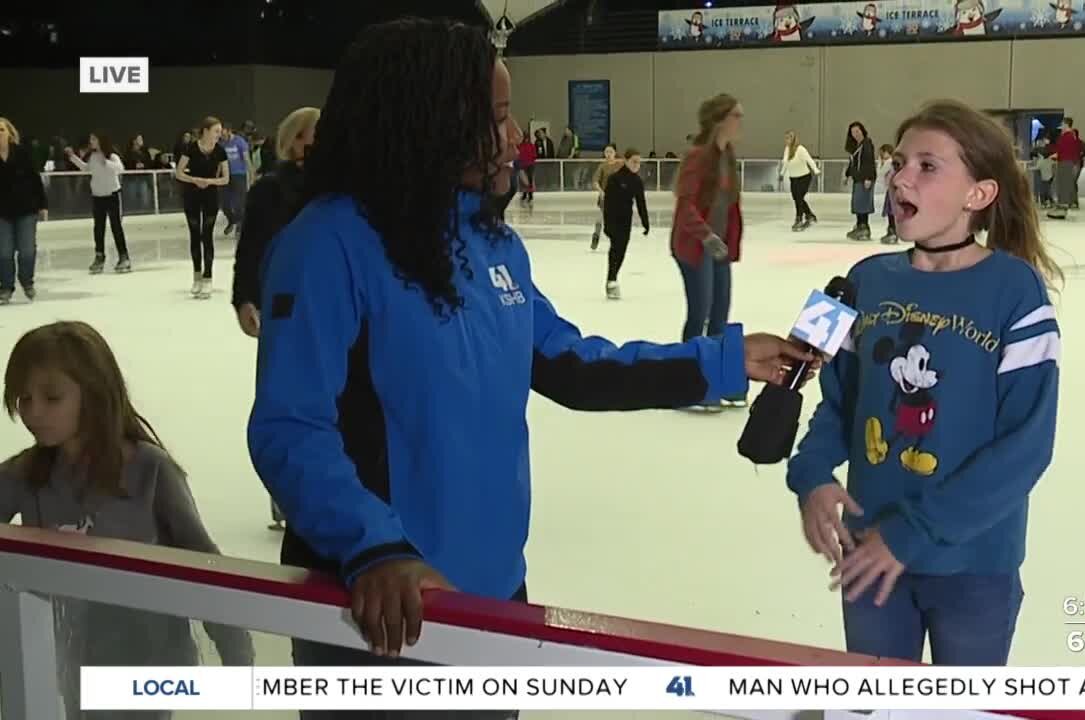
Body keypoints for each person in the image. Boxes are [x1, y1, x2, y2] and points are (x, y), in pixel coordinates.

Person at [247, 22, 812, 716]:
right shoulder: (326, 244)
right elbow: (290, 427)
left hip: (491, 597)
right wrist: (375, 549)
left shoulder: (493, 244)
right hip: (380, 609)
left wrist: (725, 358)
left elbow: (573, 364)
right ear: (429, 119)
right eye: (496, 117)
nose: (514, 139)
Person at [787, 99, 1061, 667]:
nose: (899, 176)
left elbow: (1026, 446)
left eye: (927, 166)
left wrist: (910, 536)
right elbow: (837, 401)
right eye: (901, 162)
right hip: (869, 559)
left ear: (978, 195)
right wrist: (810, 476)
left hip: (973, 563)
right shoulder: (864, 280)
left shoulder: (1016, 292)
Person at [1, 321, 255, 720]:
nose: (33, 412)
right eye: (23, 398)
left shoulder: (149, 470)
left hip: (149, 663)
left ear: (95, 393)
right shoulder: (23, 475)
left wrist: (235, 649)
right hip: (67, 662)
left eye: (51, 397)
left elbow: (204, 561)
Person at [230, 106, 320, 531]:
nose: (312, 145)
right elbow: (250, 251)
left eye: (319, 136)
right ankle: (284, 495)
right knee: (284, 403)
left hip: (329, 311)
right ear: (289, 142)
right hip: (283, 314)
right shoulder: (269, 191)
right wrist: (245, 300)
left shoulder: (338, 191)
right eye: (305, 137)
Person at [671, 93, 748, 412]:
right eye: (737, 115)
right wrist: (706, 236)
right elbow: (686, 206)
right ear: (720, 120)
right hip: (694, 246)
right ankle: (683, 384)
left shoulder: (727, 155)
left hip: (718, 248)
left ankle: (713, 379)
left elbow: (729, 205)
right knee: (699, 313)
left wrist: (729, 240)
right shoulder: (698, 156)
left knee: (720, 314)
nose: (741, 121)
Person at [175, 117, 230, 299]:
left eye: (219, 131)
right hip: (191, 196)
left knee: (207, 235)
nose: (218, 135)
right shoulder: (190, 148)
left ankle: (208, 277)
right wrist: (194, 180)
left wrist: (208, 181)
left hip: (210, 197)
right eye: (216, 131)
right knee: (194, 235)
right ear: (205, 131)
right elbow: (179, 172)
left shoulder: (220, 152)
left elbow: (225, 178)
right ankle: (196, 276)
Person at [65, 131, 131, 274]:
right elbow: (86, 168)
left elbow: (120, 169)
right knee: (98, 229)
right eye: (91, 139)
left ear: (101, 140)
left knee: (116, 227)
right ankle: (99, 256)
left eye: (94, 139)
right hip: (97, 197)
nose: (91, 142)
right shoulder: (93, 157)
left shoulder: (112, 156)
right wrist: (73, 157)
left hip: (113, 196)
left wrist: (106, 162)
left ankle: (124, 257)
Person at [0, 117, 47, 305]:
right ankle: (5, 286)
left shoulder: (22, 154)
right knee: (4, 252)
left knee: (27, 250)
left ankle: (27, 281)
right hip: (2, 213)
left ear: (9, 134)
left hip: (26, 210)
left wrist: (43, 204)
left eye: (1, 130)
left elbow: (36, 181)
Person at [602, 148, 650, 300]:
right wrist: (607, 224)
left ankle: (613, 277)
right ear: (626, 161)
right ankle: (611, 279)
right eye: (634, 162)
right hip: (613, 219)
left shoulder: (637, 181)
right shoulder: (614, 179)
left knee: (621, 249)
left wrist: (645, 222)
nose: (637, 165)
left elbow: (641, 203)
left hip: (626, 220)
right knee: (615, 248)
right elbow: (607, 204)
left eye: (639, 162)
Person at [779, 130, 820, 232]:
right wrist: (782, 174)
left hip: (804, 177)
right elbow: (785, 162)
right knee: (796, 198)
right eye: (786, 138)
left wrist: (816, 170)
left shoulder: (800, 149)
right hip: (793, 178)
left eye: (789, 138)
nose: (787, 140)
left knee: (799, 198)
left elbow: (809, 160)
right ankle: (809, 215)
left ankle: (799, 218)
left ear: (793, 139)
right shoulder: (787, 150)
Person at [843, 121, 876, 241]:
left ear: (862, 131)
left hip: (864, 179)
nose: (855, 134)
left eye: (857, 131)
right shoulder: (857, 146)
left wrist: (868, 177)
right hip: (858, 179)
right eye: (853, 132)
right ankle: (859, 226)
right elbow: (853, 163)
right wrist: (847, 175)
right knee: (858, 204)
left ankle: (864, 227)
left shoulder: (866, 144)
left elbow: (869, 161)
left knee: (863, 204)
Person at [1047, 117, 1083, 220]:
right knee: (1061, 183)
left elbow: (1064, 150)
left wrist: (1057, 154)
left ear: (1066, 124)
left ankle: (1062, 209)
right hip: (1065, 161)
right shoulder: (1068, 136)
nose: (1061, 126)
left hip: (1066, 162)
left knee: (1064, 184)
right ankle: (1060, 206)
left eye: (1062, 124)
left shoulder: (1068, 136)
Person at [219, 124, 252, 235]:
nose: (222, 137)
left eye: (223, 134)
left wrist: (251, 175)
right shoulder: (221, 144)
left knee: (239, 203)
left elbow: (247, 159)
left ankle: (240, 225)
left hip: (239, 175)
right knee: (225, 203)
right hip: (225, 176)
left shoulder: (240, 142)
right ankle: (232, 220)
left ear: (229, 131)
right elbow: (219, 162)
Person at [590, 143, 623, 250]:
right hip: (605, 198)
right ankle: (596, 236)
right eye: (606, 152)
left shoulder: (620, 165)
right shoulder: (602, 166)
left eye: (610, 152)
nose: (608, 154)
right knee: (600, 218)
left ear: (615, 153)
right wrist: (600, 191)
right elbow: (595, 181)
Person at [876, 143, 898, 244]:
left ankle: (892, 231)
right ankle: (892, 230)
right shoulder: (892, 162)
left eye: (883, 153)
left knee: (891, 211)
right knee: (891, 211)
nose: (881, 155)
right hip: (891, 189)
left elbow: (880, 173)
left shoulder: (889, 162)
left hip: (892, 190)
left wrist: (880, 162)